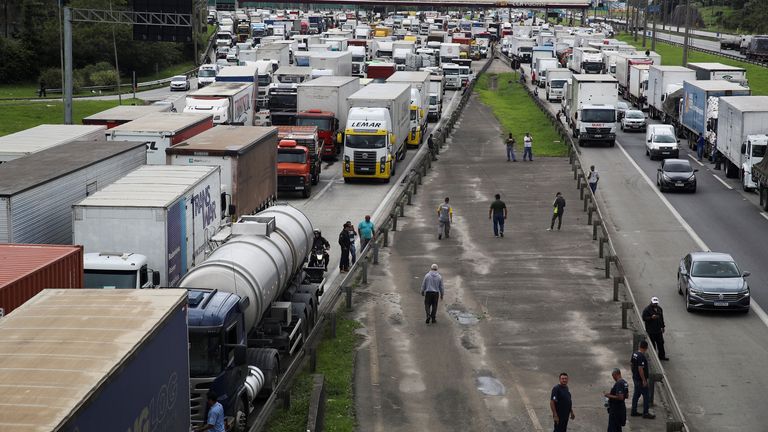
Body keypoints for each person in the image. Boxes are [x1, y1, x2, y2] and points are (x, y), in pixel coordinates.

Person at [630, 340, 656, 419]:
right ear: (646, 348)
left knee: (636, 395)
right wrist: (644, 380)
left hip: (635, 378)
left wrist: (634, 373)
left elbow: (631, 364)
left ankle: (633, 411)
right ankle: (645, 412)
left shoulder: (634, 354)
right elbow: (640, 369)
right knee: (646, 396)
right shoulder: (641, 356)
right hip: (640, 380)